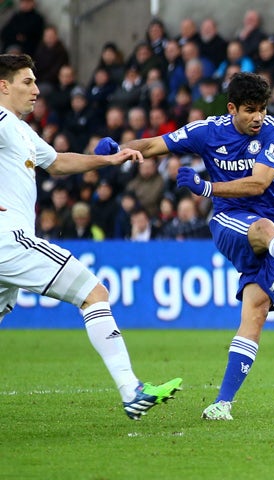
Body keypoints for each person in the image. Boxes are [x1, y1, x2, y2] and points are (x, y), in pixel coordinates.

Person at [95, 72, 274, 421]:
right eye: (251, 110)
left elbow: (259, 183)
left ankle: (222, 404)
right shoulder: (206, 131)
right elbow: (155, 145)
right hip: (229, 221)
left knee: (256, 313)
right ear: (232, 108)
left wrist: (205, 187)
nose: (259, 117)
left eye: (263, 109)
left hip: (272, 229)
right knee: (263, 228)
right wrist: (118, 151)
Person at [0, 53, 181, 419]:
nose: (36, 89)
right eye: (27, 82)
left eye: (36, 81)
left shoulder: (19, 130)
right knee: (93, 293)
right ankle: (132, 390)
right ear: (3, 86)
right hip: (9, 240)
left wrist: (108, 161)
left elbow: (59, 161)